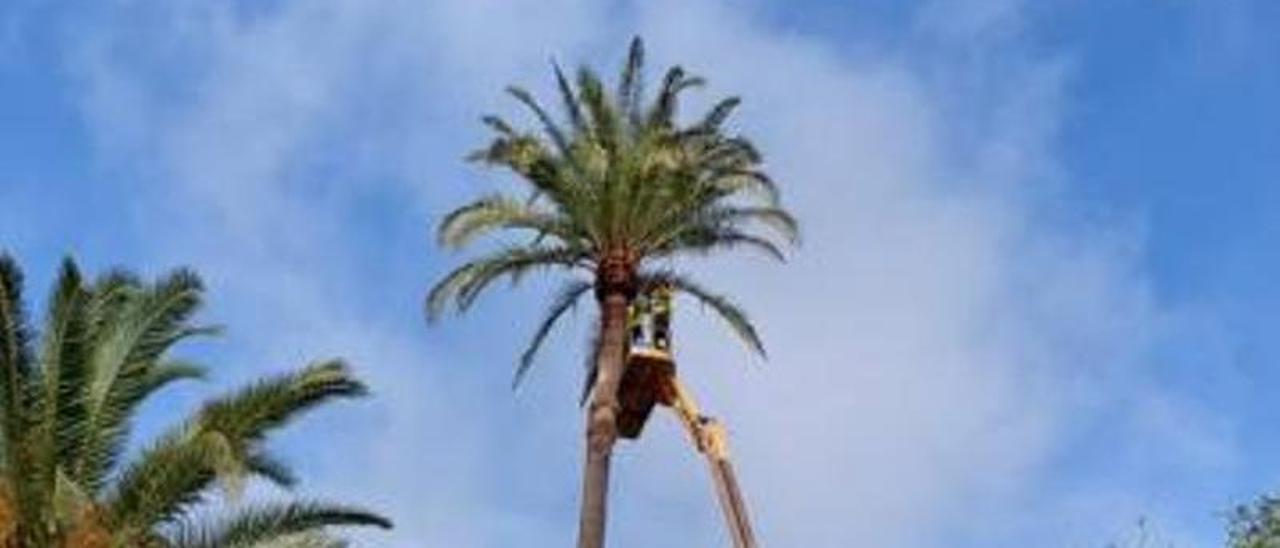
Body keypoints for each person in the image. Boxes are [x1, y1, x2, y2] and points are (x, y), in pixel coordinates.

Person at [651, 282, 673, 350]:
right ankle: (657, 346)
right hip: (658, 315)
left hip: (662, 315)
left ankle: (665, 347)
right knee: (657, 332)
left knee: (662, 331)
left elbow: (667, 294)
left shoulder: (666, 294)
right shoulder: (657, 294)